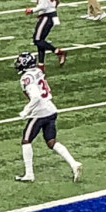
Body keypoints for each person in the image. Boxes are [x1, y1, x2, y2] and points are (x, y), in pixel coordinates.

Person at [13, 51, 82, 182]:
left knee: (26, 140)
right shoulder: (37, 71)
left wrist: (25, 111)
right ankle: (74, 163)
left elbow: (36, 97)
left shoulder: (26, 77)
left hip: (40, 112)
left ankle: (29, 174)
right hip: (50, 108)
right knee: (51, 142)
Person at [25, 0, 65, 68]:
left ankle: (57, 52)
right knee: (40, 40)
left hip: (46, 15)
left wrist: (32, 10)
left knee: (37, 40)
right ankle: (41, 65)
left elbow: (43, 4)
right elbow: (57, 0)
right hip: (51, 14)